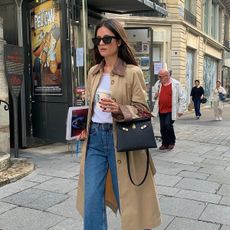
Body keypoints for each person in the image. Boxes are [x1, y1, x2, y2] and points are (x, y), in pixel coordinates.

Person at [76, 19, 161, 230]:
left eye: (107, 38)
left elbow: (143, 110)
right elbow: (91, 107)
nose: (101, 43)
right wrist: (82, 126)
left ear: (119, 41)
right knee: (91, 198)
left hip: (120, 140)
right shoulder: (93, 72)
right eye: (98, 39)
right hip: (95, 139)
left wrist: (119, 109)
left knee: (127, 196)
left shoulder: (133, 72)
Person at [152, 69, 186, 150]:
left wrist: (181, 110)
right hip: (161, 109)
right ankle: (164, 143)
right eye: (158, 76)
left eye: (160, 76)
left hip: (171, 110)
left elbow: (182, 97)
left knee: (168, 125)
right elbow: (154, 95)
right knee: (163, 127)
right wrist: (155, 96)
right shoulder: (158, 84)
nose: (159, 78)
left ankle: (171, 142)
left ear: (167, 76)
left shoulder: (176, 84)